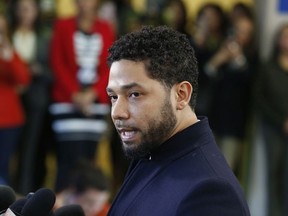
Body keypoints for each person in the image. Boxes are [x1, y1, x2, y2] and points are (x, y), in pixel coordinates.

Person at [105, 25, 250, 215]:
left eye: (134, 94)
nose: (117, 112)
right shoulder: (150, 149)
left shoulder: (212, 193)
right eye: (114, 97)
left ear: (181, 95)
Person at [49, 0, 115, 192]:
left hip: (95, 102)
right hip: (66, 102)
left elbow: (109, 64)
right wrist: (75, 95)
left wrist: (92, 94)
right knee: (67, 158)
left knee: (89, 158)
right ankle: (60, 204)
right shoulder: (63, 25)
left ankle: (85, 205)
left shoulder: (105, 27)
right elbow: (57, 63)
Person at [203, 16, 257, 172]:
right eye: (238, 30)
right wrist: (218, 60)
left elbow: (249, 82)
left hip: (234, 126)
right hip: (212, 119)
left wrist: (238, 58)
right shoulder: (220, 50)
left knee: (225, 170)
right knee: (205, 167)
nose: (240, 35)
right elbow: (203, 79)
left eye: (245, 32)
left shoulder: (251, 58)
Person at [9, 0, 52, 194]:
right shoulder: (8, 34)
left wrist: (37, 71)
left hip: (36, 99)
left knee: (31, 147)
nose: (25, 13)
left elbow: (53, 72)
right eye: (21, 9)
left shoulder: (44, 36)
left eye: (29, 9)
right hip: (11, 98)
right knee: (10, 146)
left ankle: (24, 189)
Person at [255, 23, 288, 216]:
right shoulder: (268, 67)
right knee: (274, 176)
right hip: (273, 129)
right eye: (284, 36)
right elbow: (259, 101)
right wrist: (281, 121)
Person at [0, 12, 30, 184]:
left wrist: (8, 54)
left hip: (9, 120)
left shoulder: (10, 54)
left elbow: (23, 79)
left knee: (4, 166)